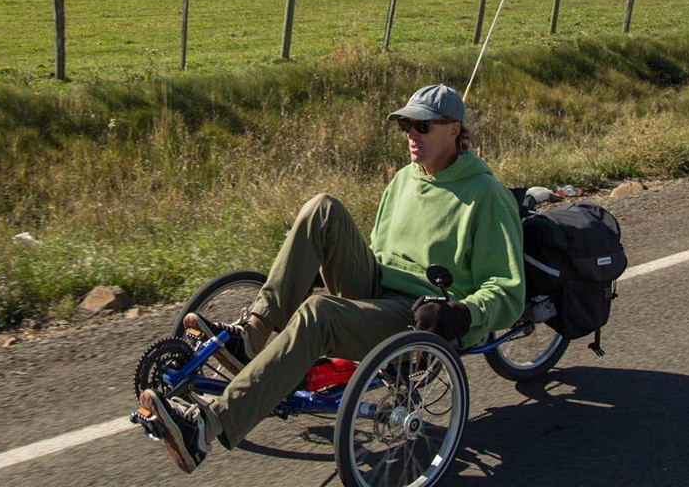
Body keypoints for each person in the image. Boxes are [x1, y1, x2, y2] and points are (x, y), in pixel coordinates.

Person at [138, 83, 525, 474]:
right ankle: (252, 333)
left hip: (420, 313)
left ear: (454, 130)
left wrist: (462, 313)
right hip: (379, 286)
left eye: (422, 126)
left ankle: (207, 426)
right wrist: (319, 264)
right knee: (322, 208)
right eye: (405, 124)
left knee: (318, 313)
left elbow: (508, 293)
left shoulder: (486, 196)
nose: (411, 133)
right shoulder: (405, 179)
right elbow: (379, 251)